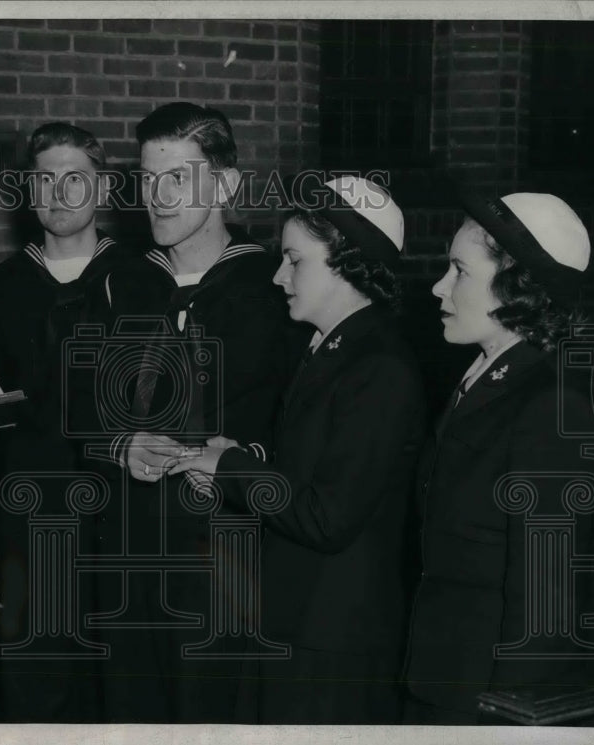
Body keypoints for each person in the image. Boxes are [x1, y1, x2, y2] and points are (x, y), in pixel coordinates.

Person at [170, 176, 427, 723]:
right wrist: (249, 457)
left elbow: (329, 516)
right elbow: (316, 470)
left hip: (332, 639)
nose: (278, 275)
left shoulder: (379, 367)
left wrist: (230, 469)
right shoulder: (329, 349)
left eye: (294, 260)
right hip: (297, 620)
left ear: (348, 264)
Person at [89, 102, 295, 723]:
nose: (158, 196)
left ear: (226, 184)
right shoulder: (117, 284)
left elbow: (302, 423)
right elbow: (73, 409)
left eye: (178, 177)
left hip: (225, 560)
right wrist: (118, 445)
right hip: (126, 554)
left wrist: (242, 459)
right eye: (148, 180)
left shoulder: (275, 290)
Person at [401, 191, 594, 724]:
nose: (438, 288)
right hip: (442, 674)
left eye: (458, 271)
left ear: (518, 285)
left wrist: (515, 719)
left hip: (485, 699)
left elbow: (544, 602)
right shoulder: (482, 378)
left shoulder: (549, 406)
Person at [0, 122, 133, 721]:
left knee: (119, 694)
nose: (60, 193)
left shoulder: (140, 282)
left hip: (124, 529)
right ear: (30, 192)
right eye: (46, 180)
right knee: (36, 694)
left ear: (102, 190)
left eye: (76, 179)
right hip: (29, 532)